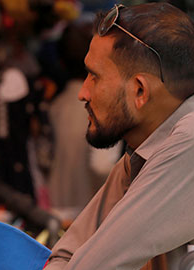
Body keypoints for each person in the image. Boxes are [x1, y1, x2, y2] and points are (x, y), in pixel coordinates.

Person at [0, 2, 194, 270]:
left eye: (94, 76)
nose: (83, 92)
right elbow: (69, 252)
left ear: (139, 90)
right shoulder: (145, 153)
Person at [48, 17, 122, 219]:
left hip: (56, 209)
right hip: (91, 215)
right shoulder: (105, 105)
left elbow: (43, 157)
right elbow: (102, 166)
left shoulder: (54, 106)